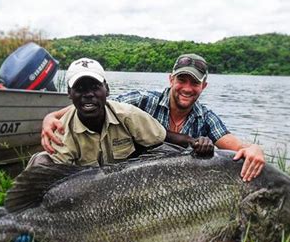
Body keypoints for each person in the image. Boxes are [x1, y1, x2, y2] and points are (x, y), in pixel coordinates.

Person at [41, 54, 265, 180]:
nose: (187, 88)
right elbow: (96, 102)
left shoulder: (206, 117)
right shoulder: (141, 101)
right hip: (132, 180)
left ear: (203, 86)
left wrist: (253, 148)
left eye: (194, 82)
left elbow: (233, 144)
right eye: (182, 80)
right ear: (171, 80)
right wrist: (51, 116)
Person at [28, 57, 213, 168]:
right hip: (83, 190)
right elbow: (57, 175)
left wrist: (194, 141)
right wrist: (50, 117)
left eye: (94, 87)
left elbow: (164, 136)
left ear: (106, 91)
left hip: (124, 186)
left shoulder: (127, 113)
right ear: (69, 94)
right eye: (80, 88)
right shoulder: (62, 130)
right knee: (41, 161)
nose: (89, 94)